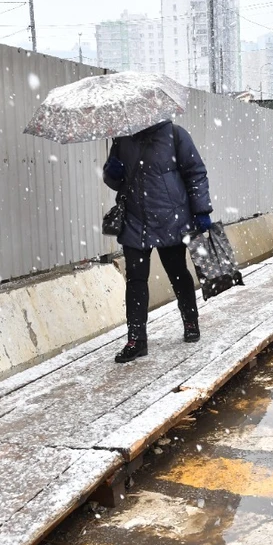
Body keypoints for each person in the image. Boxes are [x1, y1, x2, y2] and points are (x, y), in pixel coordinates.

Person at [102, 120, 213, 363]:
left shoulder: (175, 134)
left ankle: (190, 320)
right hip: (134, 219)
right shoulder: (123, 138)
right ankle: (136, 339)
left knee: (177, 272)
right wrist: (112, 171)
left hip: (169, 217)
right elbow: (113, 181)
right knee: (135, 279)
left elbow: (195, 172)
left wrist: (201, 210)